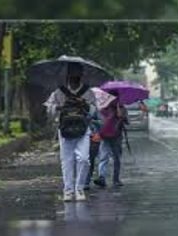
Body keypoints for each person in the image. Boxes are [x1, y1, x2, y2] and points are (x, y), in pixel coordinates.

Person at [44, 62, 96, 201]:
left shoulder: (87, 92)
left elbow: (94, 111)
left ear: (81, 75)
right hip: (65, 130)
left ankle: (79, 188)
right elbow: (49, 108)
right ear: (67, 76)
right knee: (67, 161)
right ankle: (68, 190)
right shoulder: (59, 92)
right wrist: (58, 108)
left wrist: (85, 104)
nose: (75, 77)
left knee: (84, 159)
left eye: (77, 74)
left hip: (83, 130)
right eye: (72, 74)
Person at [94, 91, 127, 188]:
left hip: (110, 135)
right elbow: (123, 119)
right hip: (110, 136)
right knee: (110, 157)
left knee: (109, 157)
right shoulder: (107, 107)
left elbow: (123, 118)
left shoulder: (117, 107)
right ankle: (108, 179)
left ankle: (109, 178)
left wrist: (118, 109)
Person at [84, 110, 103, 190]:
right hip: (82, 136)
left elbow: (102, 122)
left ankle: (86, 181)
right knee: (86, 160)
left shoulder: (94, 108)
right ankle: (85, 181)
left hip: (93, 138)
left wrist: (92, 121)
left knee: (90, 160)